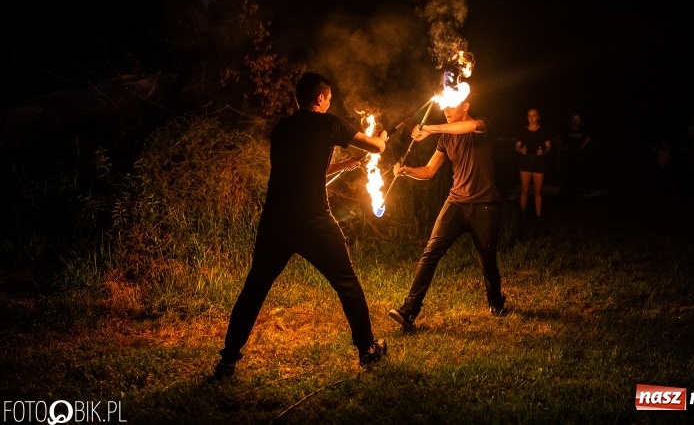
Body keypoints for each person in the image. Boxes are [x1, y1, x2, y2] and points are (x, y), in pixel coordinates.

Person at [213, 72, 388, 379]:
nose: (330, 102)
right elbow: (376, 148)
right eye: (329, 98)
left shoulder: (282, 128)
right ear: (320, 98)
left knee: (255, 287)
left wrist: (345, 164)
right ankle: (367, 348)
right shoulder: (329, 123)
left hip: (276, 220)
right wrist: (383, 140)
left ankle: (227, 360)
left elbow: (303, 166)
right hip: (313, 220)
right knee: (346, 281)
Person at [387, 98, 506, 329]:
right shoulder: (446, 137)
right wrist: (406, 171)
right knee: (430, 253)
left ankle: (496, 302)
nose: (446, 109)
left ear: (466, 105)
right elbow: (430, 171)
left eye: (452, 105)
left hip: (485, 206)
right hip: (456, 203)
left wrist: (429, 128)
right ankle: (409, 310)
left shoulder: (481, 125)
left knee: (487, 262)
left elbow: (469, 127)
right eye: (444, 106)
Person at [515, 108, 551, 219]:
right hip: (526, 162)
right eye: (529, 115)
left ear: (538, 117)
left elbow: (549, 146)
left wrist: (543, 151)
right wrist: (521, 150)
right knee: (524, 190)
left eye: (534, 115)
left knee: (538, 191)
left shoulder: (543, 131)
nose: (531, 118)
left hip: (539, 163)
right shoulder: (523, 131)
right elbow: (517, 146)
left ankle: (538, 216)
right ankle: (522, 215)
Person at [560, 113, 590, 197]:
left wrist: (581, 147)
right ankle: (565, 189)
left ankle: (573, 190)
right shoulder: (567, 130)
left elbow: (587, 138)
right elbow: (561, 140)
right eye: (574, 119)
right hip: (567, 155)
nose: (576, 121)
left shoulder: (582, 130)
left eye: (578, 119)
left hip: (577, 155)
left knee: (575, 172)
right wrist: (564, 147)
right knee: (566, 172)